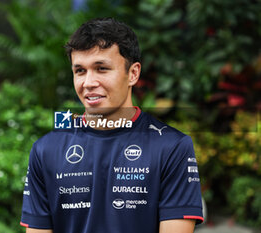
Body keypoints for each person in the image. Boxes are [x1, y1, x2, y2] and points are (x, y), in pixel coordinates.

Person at [20, 18, 204, 233]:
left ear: (133, 74)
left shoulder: (172, 147)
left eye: (102, 68)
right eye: (80, 71)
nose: (88, 83)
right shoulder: (45, 150)